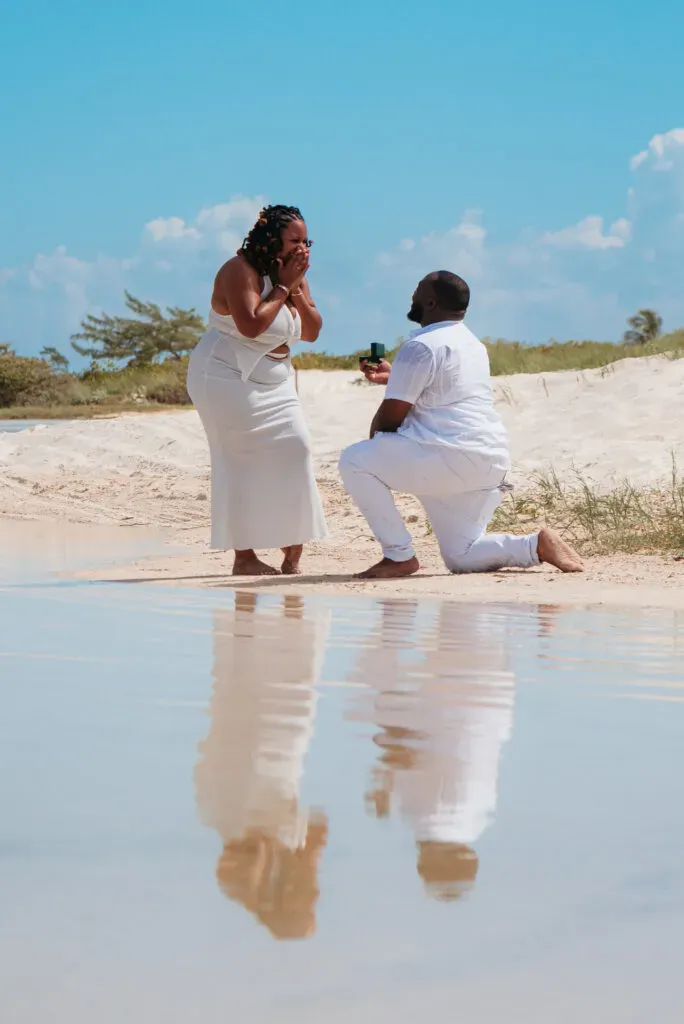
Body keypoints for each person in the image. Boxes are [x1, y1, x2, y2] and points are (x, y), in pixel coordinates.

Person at [338, 271, 584, 579]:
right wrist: (396, 377)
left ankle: (399, 555)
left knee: (354, 460)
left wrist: (379, 435)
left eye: (417, 291)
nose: (412, 297)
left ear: (430, 301)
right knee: (461, 556)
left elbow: (389, 420)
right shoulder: (472, 344)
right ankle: (535, 546)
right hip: (489, 462)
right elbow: (444, 388)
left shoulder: (420, 346)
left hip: (446, 459)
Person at [187, 205, 328, 576]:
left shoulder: (294, 275)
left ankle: (292, 546)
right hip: (224, 374)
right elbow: (250, 326)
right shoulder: (239, 271)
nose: (303, 249)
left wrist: (295, 288)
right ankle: (244, 556)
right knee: (238, 459)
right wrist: (282, 287)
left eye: (306, 241)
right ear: (271, 241)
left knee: (297, 447)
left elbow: (311, 331)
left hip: (276, 378)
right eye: (294, 241)